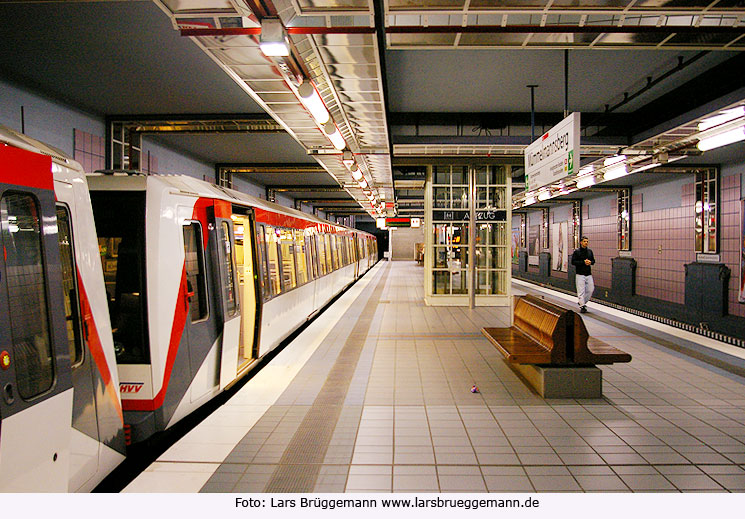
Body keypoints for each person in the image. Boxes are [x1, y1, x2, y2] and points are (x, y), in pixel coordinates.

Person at [571, 236, 595, 313]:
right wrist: (583, 262)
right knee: (581, 291)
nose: (586, 243)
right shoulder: (576, 252)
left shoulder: (590, 252)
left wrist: (590, 262)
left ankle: (582, 302)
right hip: (580, 274)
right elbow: (573, 262)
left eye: (587, 241)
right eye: (584, 241)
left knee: (590, 289)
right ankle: (582, 306)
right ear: (581, 242)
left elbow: (593, 261)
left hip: (588, 274)